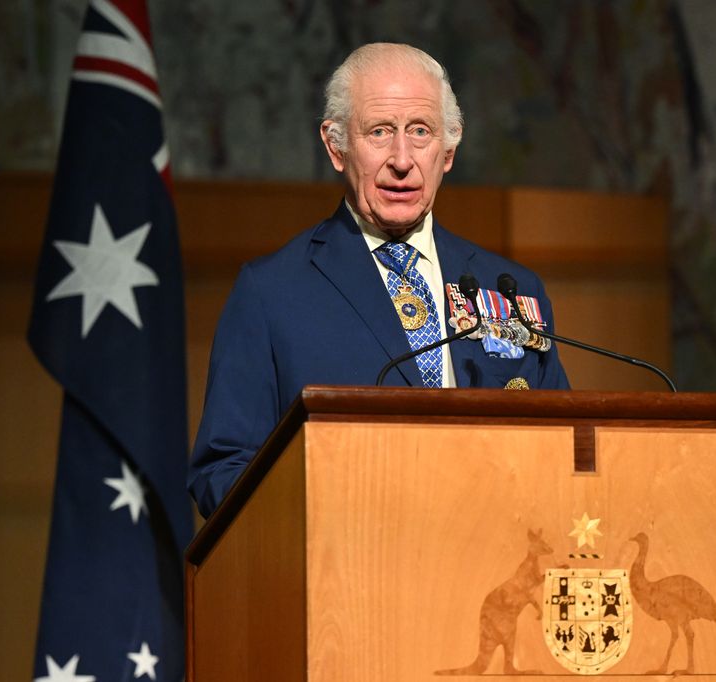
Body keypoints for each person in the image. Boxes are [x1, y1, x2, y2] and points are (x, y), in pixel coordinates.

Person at [188, 43, 570, 518]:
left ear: (448, 150)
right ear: (336, 147)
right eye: (380, 132)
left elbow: (564, 447)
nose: (402, 159)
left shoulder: (514, 289)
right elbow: (223, 470)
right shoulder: (272, 292)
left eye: (420, 131)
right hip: (349, 564)